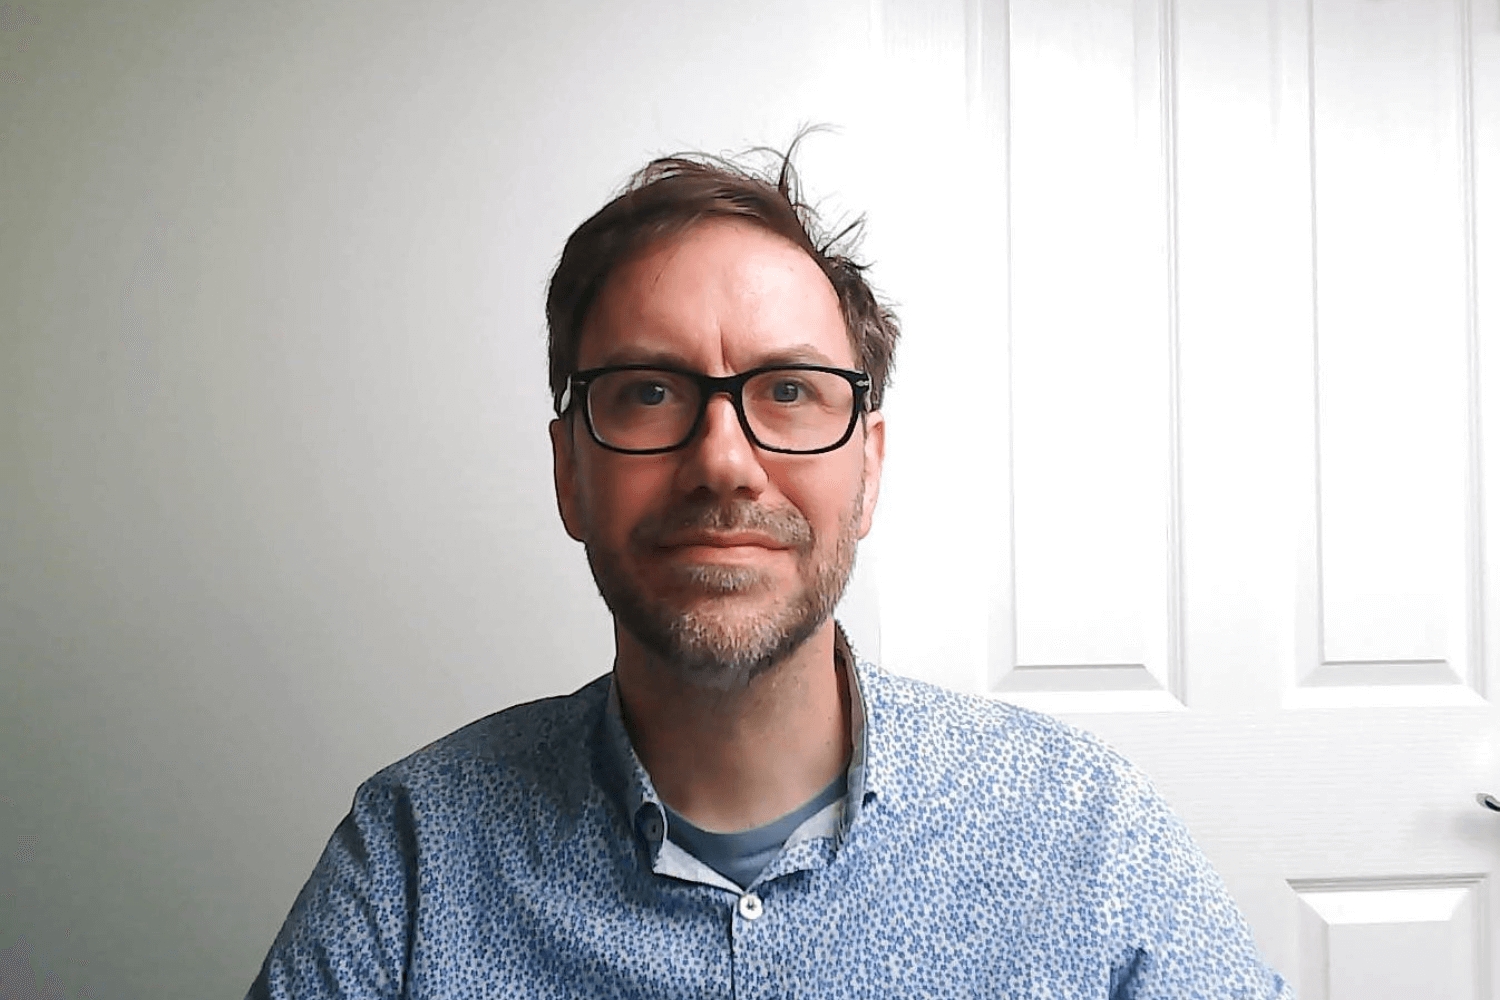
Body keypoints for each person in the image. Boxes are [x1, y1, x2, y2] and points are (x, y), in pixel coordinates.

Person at [247, 141, 1292, 998]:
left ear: (867, 470)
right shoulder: (415, 857)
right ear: (569, 471)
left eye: (789, 391)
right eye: (649, 392)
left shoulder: (1086, 834)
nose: (724, 463)